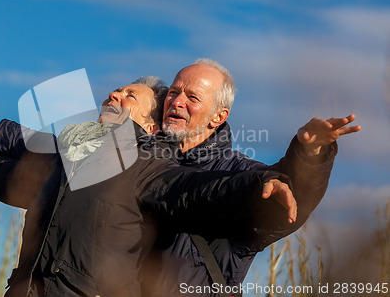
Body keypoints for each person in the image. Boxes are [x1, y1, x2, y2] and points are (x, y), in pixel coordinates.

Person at [0, 77, 297, 297]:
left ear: (149, 126)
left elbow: (199, 189)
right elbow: (19, 173)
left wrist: (260, 183)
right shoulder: (76, 153)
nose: (115, 93)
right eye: (118, 89)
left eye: (130, 95)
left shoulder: (147, 166)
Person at [141, 58, 361, 297]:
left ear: (218, 116)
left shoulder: (241, 172)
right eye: (173, 92)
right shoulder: (139, 160)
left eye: (192, 97)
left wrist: (309, 155)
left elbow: (288, 201)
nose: (177, 101)